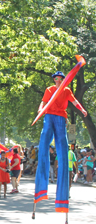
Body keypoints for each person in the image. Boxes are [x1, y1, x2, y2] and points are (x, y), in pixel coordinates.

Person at [34, 70, 87, 213]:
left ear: (63, 80)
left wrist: (82, 110)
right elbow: (43, 102)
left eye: (60, 78)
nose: (57, 80)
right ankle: (41, 188)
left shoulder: (67, 90)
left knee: (62, 143)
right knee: (44, 137)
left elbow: (75, 101)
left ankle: (62, 196)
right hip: (49, 116)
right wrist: (40, 111)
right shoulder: (49, 90)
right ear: (54, 80)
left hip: (60, 118)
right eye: (56, 78)